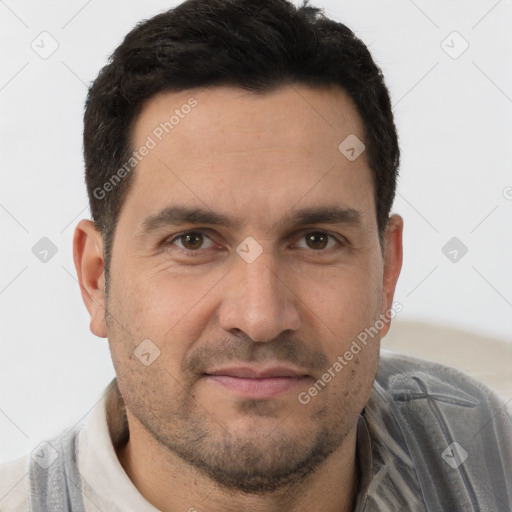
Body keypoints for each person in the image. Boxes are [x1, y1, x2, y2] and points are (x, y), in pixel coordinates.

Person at [1, 0, 511, 510]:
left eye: (316, 240)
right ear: (97, 278)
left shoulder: (483, 450)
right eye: (193, 241)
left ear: (387, 273)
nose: (260, 317)